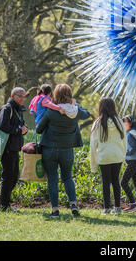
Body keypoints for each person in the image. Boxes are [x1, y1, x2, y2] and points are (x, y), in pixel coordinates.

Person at [36, 83, 90, 219]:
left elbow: (38, 129)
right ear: (70, 95)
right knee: (67, 177)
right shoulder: (75, 111)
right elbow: (87, 114)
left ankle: (55, 210)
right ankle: (73, 205)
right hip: (67, 150)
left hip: (50, 149)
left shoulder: (51, 111)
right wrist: (75, 104)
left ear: (55, 95)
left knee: (52, 179)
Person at [90, 97, 126, 215]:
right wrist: (123, 157)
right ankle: (118, 207)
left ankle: (106, 208)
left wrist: (93, 164)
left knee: (105, 182)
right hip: (117, 155)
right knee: (116, 181)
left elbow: (93, 145)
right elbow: (124, 141)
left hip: (104, 156)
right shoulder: (120, 122)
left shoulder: (97, 123)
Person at [0, 87, 28, 212]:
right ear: (12, 95)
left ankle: (6, 204)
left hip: (15, 148)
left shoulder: (18, 110)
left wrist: (24, 130)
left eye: (24, 96)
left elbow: (20, 125)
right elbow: (2, 125)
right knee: (8, 177)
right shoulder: (7, 108)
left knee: (14, 177)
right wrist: (17, 130)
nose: (22, 98)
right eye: (19, 95)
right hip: (7, 148)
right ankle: (3, 206)